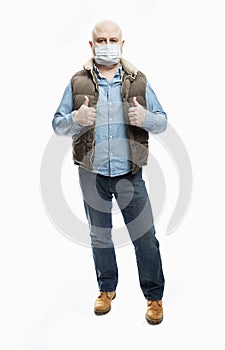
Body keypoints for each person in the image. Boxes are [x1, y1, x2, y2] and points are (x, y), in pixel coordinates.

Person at [52, 19, 167, 325]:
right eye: (100, 40)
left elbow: (163, 120)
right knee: (99, 236)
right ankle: (106, 289)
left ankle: (154, 296)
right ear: (92, 45)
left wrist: (145, 118)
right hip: (92, 173)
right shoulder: (78, 82)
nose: (107, 45)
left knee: (145, 237)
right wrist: (76, 118)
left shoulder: (138, 80)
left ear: (122, 43)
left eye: (112, 40)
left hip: (130, 173)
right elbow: (57, 123)